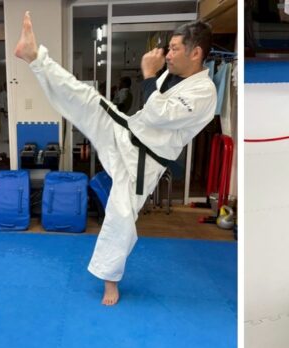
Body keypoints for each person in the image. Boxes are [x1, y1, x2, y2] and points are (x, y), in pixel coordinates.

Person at [15, 13, 216, 307]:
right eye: (169, 48)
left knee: (120, 216)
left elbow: (159, 115)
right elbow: (150, 110)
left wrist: (149, 74)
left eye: (174, 49)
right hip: (127, 132)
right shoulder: (172, 76)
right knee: (86, 99)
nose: (169, 55)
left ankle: (110, 281)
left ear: (195, 53)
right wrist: (154, 75)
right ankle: (34, 56)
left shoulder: (204, 92)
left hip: (144, 162)